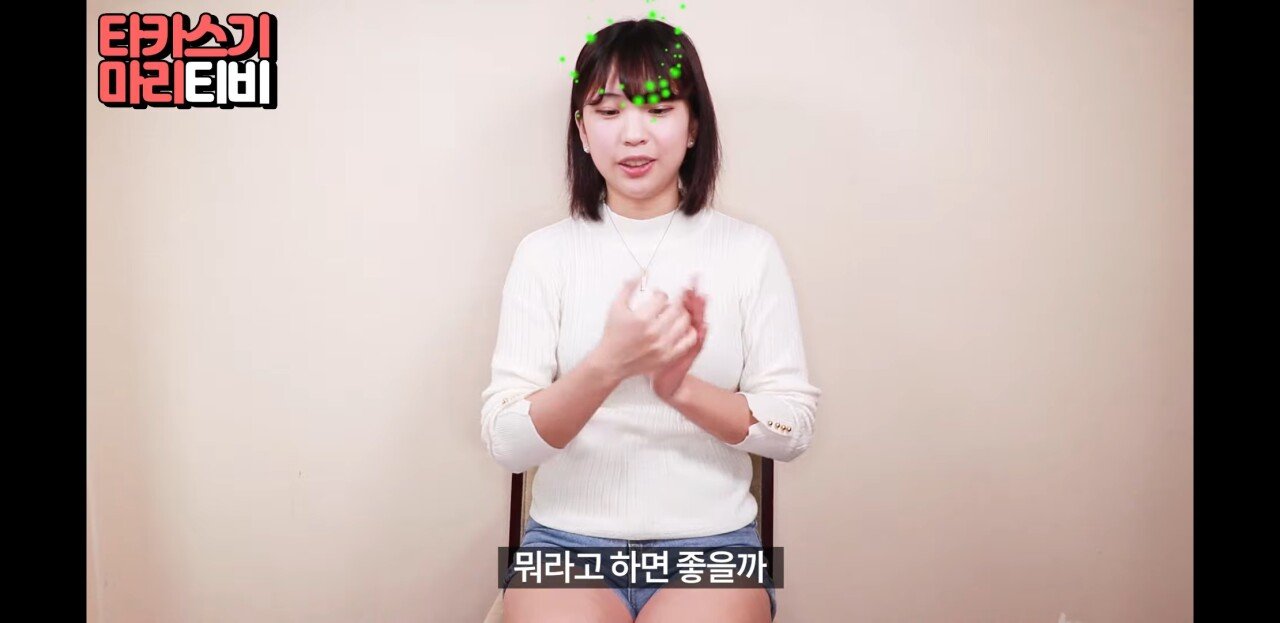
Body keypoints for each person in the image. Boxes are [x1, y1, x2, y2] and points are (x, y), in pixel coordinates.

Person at [480, 19, 820, 623]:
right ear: (582, 131)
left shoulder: (749, 251)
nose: (633, 134)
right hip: (563, 544)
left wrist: (678, 388)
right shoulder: (543, 254)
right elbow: (507, 444)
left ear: (694, 126)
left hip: (716, 545)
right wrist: (608, 365)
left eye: (659, 109)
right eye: (608, 112)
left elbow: (792, 430)